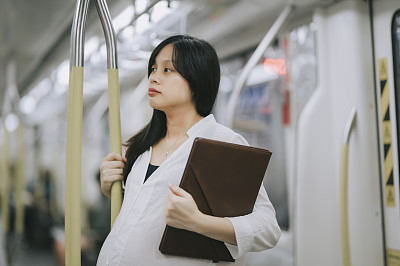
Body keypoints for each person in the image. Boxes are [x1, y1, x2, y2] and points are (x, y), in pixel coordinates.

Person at [97, 34, 281, 266]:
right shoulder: (143, 145)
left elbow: (267, 228)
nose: (153, 77)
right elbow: (144, 215)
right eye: (153, 69)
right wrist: (111, 190)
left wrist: (198, 221)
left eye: (167, 70)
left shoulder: (222, 142)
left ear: (197, 79)